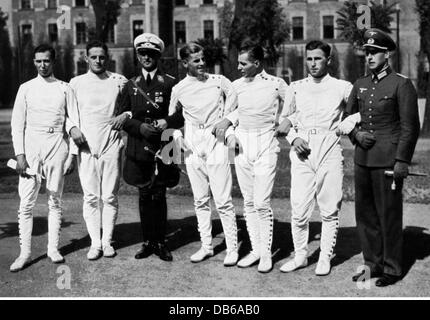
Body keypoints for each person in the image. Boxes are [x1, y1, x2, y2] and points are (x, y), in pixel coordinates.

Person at [347, 29, 420, 287]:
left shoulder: (401, 83)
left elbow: (410, 127)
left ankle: (392, 267)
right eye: (367, 52)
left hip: (388, 161)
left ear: (386, 54)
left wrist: (402, 160)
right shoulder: (359, 84)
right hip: (362, 160)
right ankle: (371, 263)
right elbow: (345, 120)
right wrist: (356, 135)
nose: (369, 56)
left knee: (388, 215)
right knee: (365, 215)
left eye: (375, 52)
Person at [277, 40, 353, 276]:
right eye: (309, 59)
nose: (313, 63)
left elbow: (359, 111)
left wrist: (349, 123)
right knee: (299, 209)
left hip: (329, 148)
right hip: (302, 150)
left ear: (328, 60)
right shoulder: (296, 87)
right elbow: (284, 121)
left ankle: (324, 257)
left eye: (318, 58)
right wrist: (293, 138)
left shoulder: (342, 87)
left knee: (329, 209)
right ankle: (300, 256)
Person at [218, 43, 294, 273]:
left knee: (261, 202)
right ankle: (256, 250)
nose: (239, 67)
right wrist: (230, 135)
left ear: (257, 63)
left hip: (266, 144)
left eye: (243, 63)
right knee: (248, 201)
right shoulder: (235, 86)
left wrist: (286, 119)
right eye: (239, 63)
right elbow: (227, 114)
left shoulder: (276, 84)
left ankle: (266, 254)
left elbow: (293, 106)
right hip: (241, 144)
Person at [9, 44, 83, 272]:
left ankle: (53, 248)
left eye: (47, 61)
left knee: (54, 200)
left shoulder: (65, 88)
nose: (43, 65)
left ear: (54, 62)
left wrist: (72, 155)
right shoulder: (26, 88)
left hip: (56, 146)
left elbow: (74, 121)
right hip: (31, 146)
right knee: (26, 203)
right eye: (38, 61)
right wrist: (20, 155)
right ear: (34, 62)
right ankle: (25, 253)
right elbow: (17, 124)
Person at [164, 42, 239, 266]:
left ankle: (232, 248)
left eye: (202, 58)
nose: (202, 63)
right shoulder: (179, 89)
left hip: (216, 142)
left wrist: (227, 122)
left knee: (224, 200)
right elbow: (171, 120)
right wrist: (178, 139)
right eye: (196, 60)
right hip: (193, 147)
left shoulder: (221, 82)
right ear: (185, 63)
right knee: (200, 200)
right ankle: (206, 246)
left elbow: (235, 108)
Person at [113, 33, 183, 262]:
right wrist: (138, 127)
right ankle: (147, 241)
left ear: (158, 56)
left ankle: (161, 242)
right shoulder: (130, 85)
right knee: (144, 194)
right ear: (137, 55)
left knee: (160, 193)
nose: (146, 57)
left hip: (165, 145)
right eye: (142, 53)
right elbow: (121, 116)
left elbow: (181, 115)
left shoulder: (171, 83)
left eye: (151, 53)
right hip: (139, 145)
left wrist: (167, 122)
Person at [69, 41, 127, 260]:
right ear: (86, 59)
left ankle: (107, 241)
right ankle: (95, 243)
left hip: (111, 145)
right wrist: (73, 128)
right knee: (91, 197)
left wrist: (127, 115)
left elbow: (132, 105)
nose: (98, 61)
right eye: (93, 57)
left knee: (109, 196)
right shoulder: (76, 83)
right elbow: (69, 114)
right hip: (86, 147)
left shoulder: (119, 81)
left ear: (107, 57)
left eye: (102, 57)